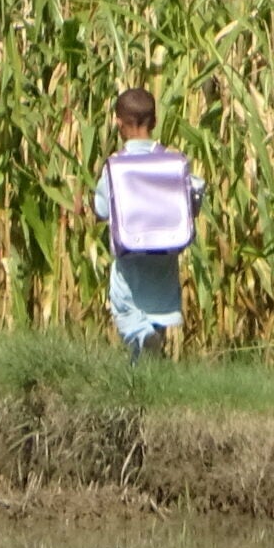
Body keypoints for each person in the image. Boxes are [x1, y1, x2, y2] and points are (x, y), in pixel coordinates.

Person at [92, 88, 203, 359]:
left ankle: (142, 336)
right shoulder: (173, 162)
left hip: (130, 258)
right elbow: (194, 200)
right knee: (155, 319)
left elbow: (102, 208)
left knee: (126, 311)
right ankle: (142, 375)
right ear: (154, 122)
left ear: (118, 123)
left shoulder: (115, 166)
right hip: (164, 256)